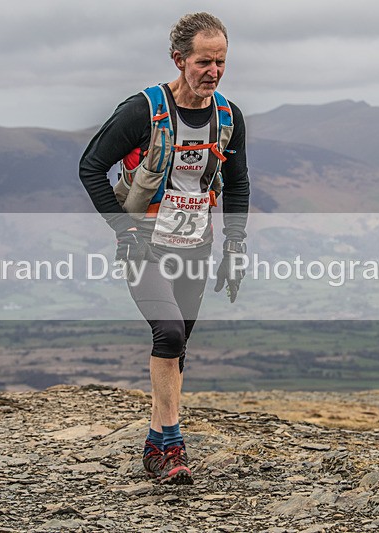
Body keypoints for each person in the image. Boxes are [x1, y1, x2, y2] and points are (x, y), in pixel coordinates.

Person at [79, 12, 249, 484]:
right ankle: (173, 445)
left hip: (197, 243)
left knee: (177, 347)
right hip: (145, 245)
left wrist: (235, 244)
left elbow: (238, 184)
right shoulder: (142, 110)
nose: (213, 72)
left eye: (221, 62)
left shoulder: (228, 117)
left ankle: (156, 444)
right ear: (178, 59)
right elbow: (91, 167)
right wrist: (122, 230)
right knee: (169, 333)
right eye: (203, 62)